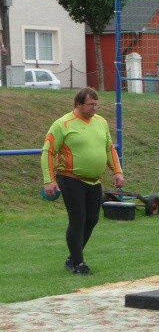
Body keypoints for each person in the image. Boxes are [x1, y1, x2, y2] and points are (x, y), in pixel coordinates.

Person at [41, 88, 125, 275]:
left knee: (92, 219)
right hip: (71, 179)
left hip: (94, 181)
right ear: (77, 104)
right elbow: (48, 152)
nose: (94, 108)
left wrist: (117, 172)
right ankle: (79, 264)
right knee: (78, 218)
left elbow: (108, 148)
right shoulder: (62, 124)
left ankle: (72, 257)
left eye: (96, 104)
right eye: (90, 105)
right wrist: (49, 180)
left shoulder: (101, 122)